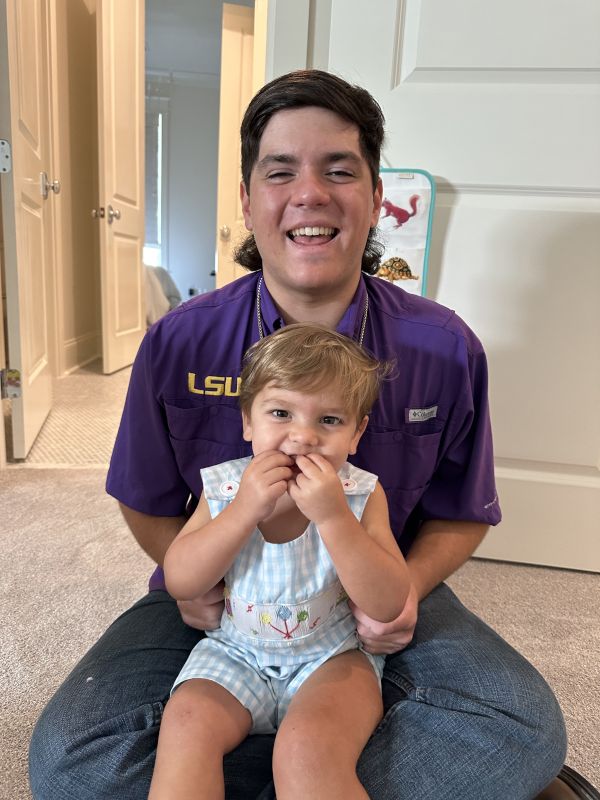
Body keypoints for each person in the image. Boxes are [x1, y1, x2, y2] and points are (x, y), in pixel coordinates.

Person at [29, 69, 567, 800]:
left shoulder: (445, 348)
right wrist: (199, 578)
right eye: (281, 171)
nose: (310, 193)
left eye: (339, 170)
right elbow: (146, 501)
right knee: (69, 760)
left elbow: (462, 513)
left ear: (376, 198)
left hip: (374, 592)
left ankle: (288, 767)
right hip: (222, 604)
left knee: (524, 728)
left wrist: (402, 593)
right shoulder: (178, 341)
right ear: (248, 201)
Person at [148, 324, 410, 799]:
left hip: (331, 659)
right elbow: (181, 580)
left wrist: (333, 518)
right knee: (184, 724)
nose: (303, 436)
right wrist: (244, 510)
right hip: (234, 654)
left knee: (306, 752)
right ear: (248, 421)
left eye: (329, 420)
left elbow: (388, 602)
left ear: (357, 433)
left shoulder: (360, 494)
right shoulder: (225, 488)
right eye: (281, 413)